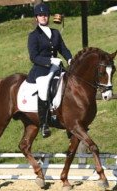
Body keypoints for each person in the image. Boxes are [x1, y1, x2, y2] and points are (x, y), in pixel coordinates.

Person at [26, 3, 72, 138]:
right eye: (40, 15)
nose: (43, 17)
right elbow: (33, 57)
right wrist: (50, 61)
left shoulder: (55, 33)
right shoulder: (33, 35)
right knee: (43, 87)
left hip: (57, 67)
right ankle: (44, 123)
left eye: (45, 15)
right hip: (41, 69)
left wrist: (70, 59)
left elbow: (63, 49)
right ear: (36, 18)